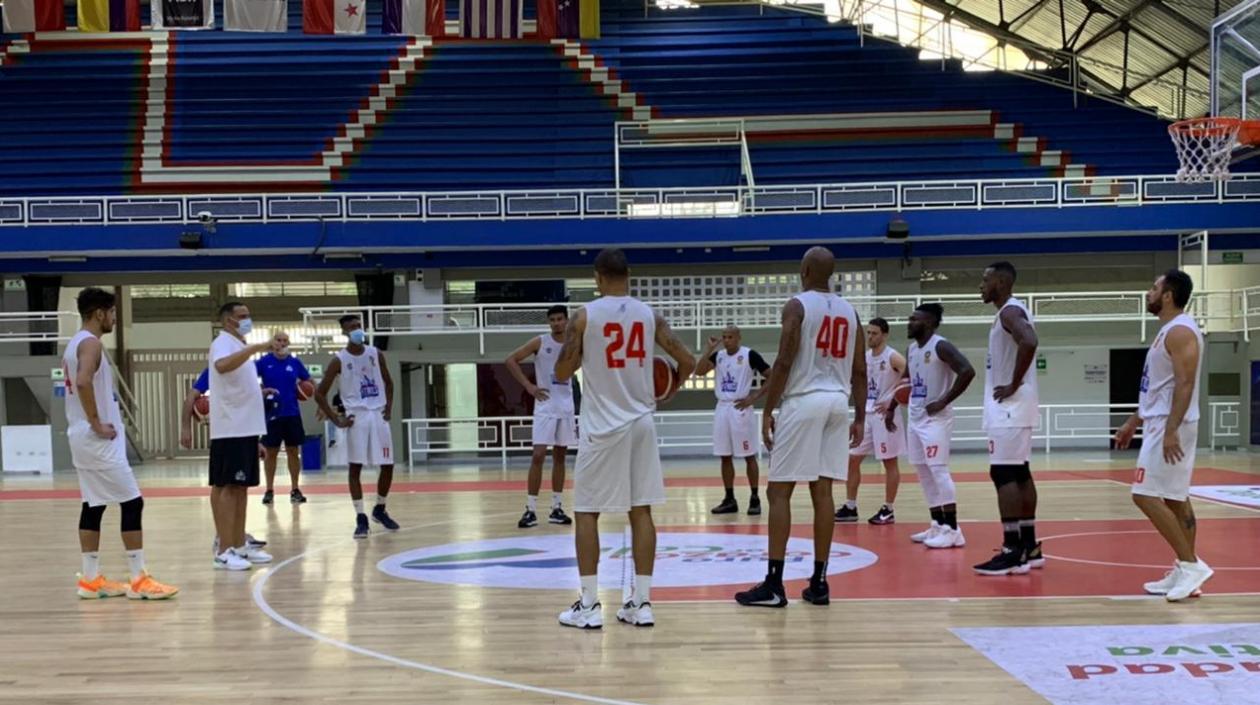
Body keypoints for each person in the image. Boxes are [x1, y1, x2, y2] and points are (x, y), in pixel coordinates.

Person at [555, 248, 696, 629]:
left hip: (604, 427)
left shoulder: (584, 316)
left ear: (598, 278)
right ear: (629, 275)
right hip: (641, 424)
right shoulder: (650, 315)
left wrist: (582, 349)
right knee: (641, 511)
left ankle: (588, 605)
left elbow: (563, 371)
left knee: (586, 512)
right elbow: (688, 361)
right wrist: (668, 391)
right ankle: (642, 603)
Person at [736, 247, 865, 608]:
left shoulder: (797, 305)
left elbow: (783, 361)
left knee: (778, 493)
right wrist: (860, 417)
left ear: (805, 270)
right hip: (838, 403)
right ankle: (819, 582)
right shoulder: (850, 311)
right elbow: (859, 370)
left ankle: (774, 584)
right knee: (822, 493)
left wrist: (768, 409)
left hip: (804, 401)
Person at [65, 288, 178, 600]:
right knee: (132, 502)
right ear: (100, 313)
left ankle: (90, 579)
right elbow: (85, 381)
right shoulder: (90, 344)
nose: (114, 318)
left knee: (94, 504)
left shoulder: (73, 343)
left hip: (80, 436)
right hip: (95, 439)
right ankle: (139, 578)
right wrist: (97, 422)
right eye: (113, 313)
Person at [1114, 269, 1212, 602]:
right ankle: (1187, 571)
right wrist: (1133, 421)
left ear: (1168, 295)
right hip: (1160, 422)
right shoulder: (1169, 330)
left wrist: (1171, 430)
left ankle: (1190, 564)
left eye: (1154, 287)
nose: (1149, 292)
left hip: (1171, 426)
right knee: (1174, 497)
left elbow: (1185, 385)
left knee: (1143, 494)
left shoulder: (1181, 330)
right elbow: (1158, 388)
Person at [975, 263, 1044, 576]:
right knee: (1019, 474)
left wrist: (1013, 383)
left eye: (986, 280)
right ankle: (1029, 544)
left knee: (1003, 475)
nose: (981, 285)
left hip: (1009, 407)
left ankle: (1012, 549)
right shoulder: (1011, 311)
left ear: (1001, 282)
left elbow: (1028, 341)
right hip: (1018, 407)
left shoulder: (1009, 312)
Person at [887, 303, 974, 550]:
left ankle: (953, 529)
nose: (909, 322)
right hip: (915, 417)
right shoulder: (912, 349)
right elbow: (909, 383)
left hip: (936, 419)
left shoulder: (940, 345)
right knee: (923, 472)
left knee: (938, 471)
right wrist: (892, 407)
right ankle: (937, 524)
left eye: (914, 319)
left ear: (928, 323)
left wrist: (944, 400)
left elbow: (967, 371)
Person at [314, 315, 401, 539]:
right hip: (357, 416)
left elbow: (389, 383)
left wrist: (389, 407)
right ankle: (360, 517)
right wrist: (337, 420)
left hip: (378, 414)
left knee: (388, 464)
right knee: (356, 468)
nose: (357, 330)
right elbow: (319, 393)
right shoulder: (339, 360)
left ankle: (380, 509)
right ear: (344, 332)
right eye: (352, 327)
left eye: (359, 326)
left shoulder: (375, 353)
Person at [208, 302, 274, 571]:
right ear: (228, 322)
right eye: (242, 316)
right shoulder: (223, 343)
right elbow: (222, 366)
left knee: (242, 489)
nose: (248, 319)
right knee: (228, 487)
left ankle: (238, 545)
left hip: (246, 429)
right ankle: (224, 550)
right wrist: (256, 348)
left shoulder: (239, 346)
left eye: (249, 315)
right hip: (230, 429)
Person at [180, 368, 268, 556]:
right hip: (226, 434)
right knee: (223, 485)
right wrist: (186, 428)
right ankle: (222, 538)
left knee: (239, 487)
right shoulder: (218, 366)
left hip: (245, 434)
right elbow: (191, 398)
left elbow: (247, 404)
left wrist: (257, 440)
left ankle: (237, 538)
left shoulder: (246, 369)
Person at [504, 305, 575, 528]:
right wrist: (529, 386)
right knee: (538, 454)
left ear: (566, 320)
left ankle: (557, 507)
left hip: (566, 405)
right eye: (552, 319)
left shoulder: (575, 343)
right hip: (544, 405)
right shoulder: (540, 342)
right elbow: (511, 360)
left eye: (560, 319)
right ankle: (530, 509)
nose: (556, 323)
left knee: (561, 456)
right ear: (549, 323)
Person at [694, 325, 771, 516]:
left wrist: (753, 397)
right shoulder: (718, 356)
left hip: (740, 408)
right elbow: (699, 371)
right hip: (722, 407)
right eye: (724, 337)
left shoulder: (749, 355)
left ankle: (755, 498)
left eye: (730, 337)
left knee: (749, 454)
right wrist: (708, 350)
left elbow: (771, 375)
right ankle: (729, 499)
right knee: (724, 455)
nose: (726, 340)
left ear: (738, 338)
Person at [836, 317, 904, 525]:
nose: (870, 337)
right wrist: (857, 418)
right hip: (866, 415)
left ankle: (888, 509)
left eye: (874, 333)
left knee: (889, 462)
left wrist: (894, 400)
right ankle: (850, 506)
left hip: (885, 416)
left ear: (884, 335)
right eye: (868, 333)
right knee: (852, 458)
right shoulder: (865, 357)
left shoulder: (893, 356)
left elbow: (910, 376)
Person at [257, 331, 311, 506]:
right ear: (272, 343)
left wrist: (318, 395)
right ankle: (269, 490)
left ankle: (295, 489)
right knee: (270, 453)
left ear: (289, 343)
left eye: (285, 341)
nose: (281, 343)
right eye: (278, 340)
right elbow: (247, 380)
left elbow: (309, 381)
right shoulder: (263, 362)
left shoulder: (295, 362)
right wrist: (259, 392)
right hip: (272, 414)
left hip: (292, 414)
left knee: (293, 452)